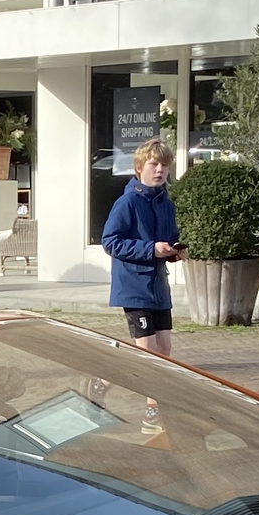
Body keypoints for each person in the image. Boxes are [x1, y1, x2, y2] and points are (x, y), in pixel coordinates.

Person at [102, 137, 180, 356]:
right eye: (153, 164)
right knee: (147, 352)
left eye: (164, 165)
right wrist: (151, 249)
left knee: (163, 350)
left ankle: (105, 379)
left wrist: (175, 252)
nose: (159, 170)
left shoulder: (167, 205)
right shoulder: (127, 203)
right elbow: (110, 242)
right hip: (134, 286)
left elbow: (168, 240)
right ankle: (147, 391)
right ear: (139, 167)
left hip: (159, 288)